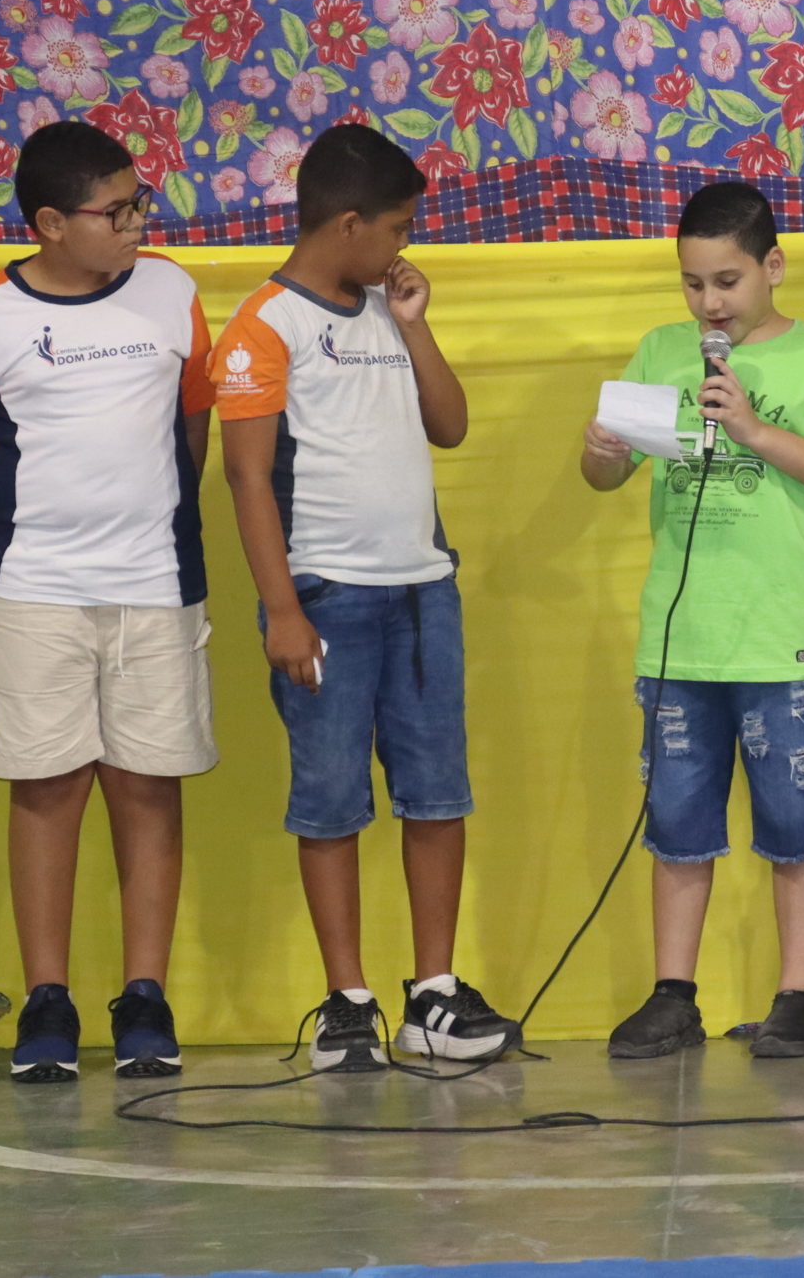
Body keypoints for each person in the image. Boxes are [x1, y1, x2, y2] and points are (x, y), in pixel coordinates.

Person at [212, 123, 520, 1073]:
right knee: (332, 798)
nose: (405, 244)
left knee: (437, 792)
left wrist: (415, 324)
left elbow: (450, 425)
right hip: (324, 598)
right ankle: (347, 1001)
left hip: (422, 592)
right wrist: (283, 608)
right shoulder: (264, 325)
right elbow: (247, 478)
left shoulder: (391, 308)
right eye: (398, 228)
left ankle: (432, 993)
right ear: (348, 224)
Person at [0, 122, 216, 1083]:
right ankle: (46, 999)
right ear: (50, 224)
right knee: (48, 785)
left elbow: (194, 416)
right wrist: (30, 526)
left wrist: (158, 521)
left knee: (148, 782)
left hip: (156, 586)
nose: (136, 225)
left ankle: (144, 995)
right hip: (35, 592)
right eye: (115, 212)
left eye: (140, 204)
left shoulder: (170, 292)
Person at [583, 182, 804, 1061]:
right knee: (677, 825)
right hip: (683, 638)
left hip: (781, 632)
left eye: (727, 281)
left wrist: (752, 429)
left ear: (772, 266)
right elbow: (607, 478)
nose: (709, 303)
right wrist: (601, 455)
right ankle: (674, 993)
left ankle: (801, 995)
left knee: (796, 821)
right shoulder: (660, 350)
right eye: (692, 284)